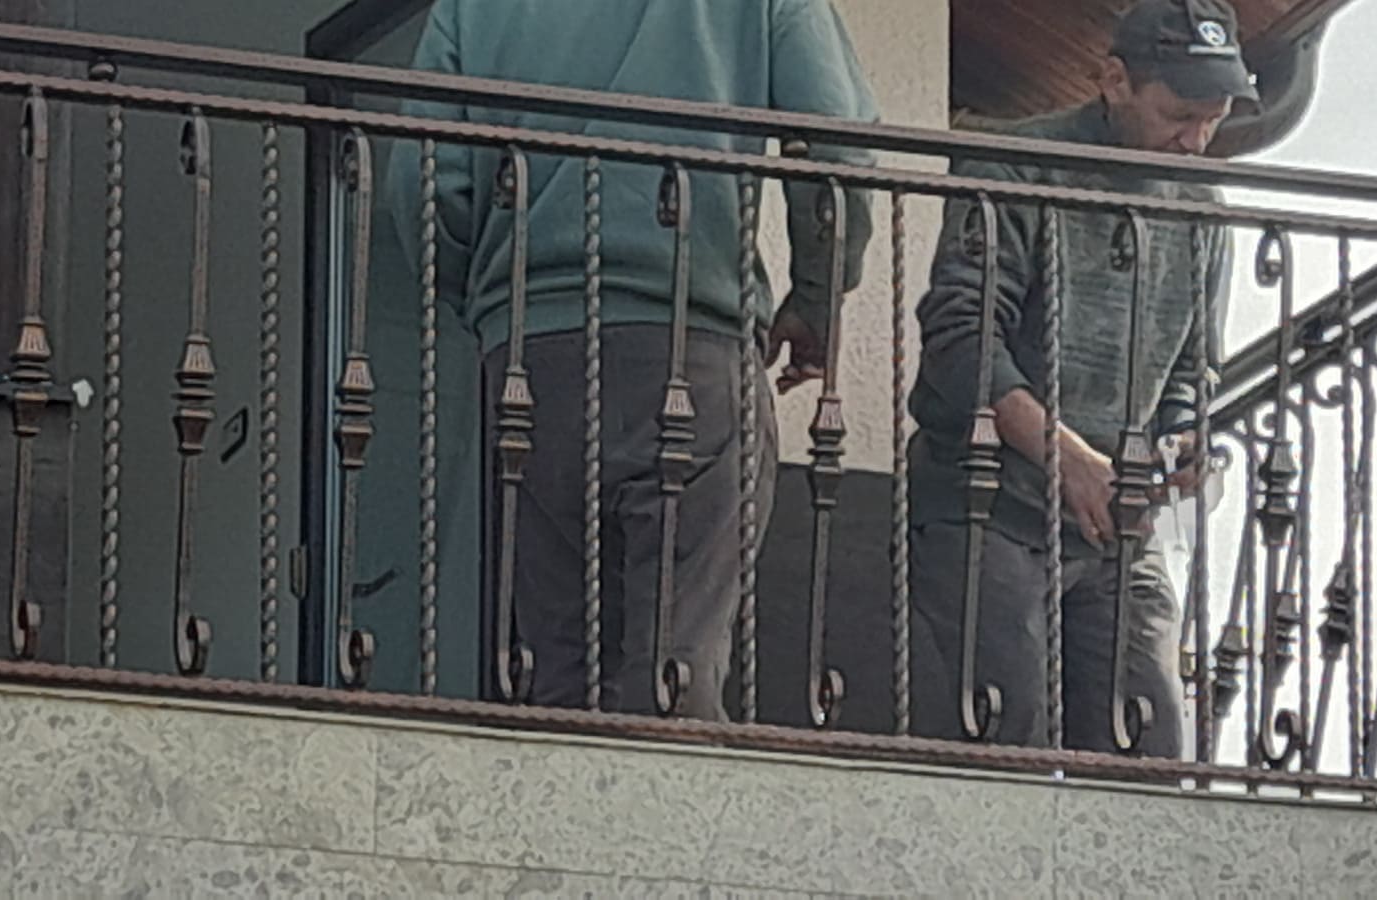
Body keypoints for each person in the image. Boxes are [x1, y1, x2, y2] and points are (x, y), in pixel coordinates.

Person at [384, 0, 879, 720]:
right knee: (675, 676)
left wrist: (492, 305)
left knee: (560, 676)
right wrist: (817, 295)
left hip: (530, 360)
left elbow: (422, 183)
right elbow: (838, 149)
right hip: (691, 344)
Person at [906, 0, 1247, 756]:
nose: (1195, 142)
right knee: (1004, 741)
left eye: (1213, 120)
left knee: (1149, 750)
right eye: (1179, 115)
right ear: (1114, 81)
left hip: (1118, 525)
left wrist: (1186, 432)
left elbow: (1194, 366)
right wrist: (1066, 456)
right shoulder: (1012, 164)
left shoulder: (1204, 208)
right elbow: (960, 339)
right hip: (986, 503)